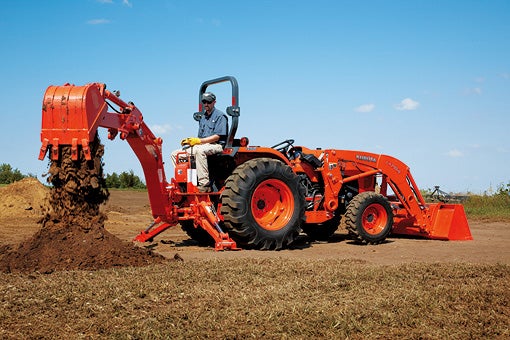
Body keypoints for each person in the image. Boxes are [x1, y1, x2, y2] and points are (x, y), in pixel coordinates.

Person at [171, 92, 228, 192]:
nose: (206, 104)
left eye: (208, 102)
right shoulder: (203, 118)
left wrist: (198, 141)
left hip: (217, 145)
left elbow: (217, 137)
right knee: (175, 154)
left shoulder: (220, 116)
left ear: (214, 102)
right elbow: (200, 137)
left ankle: (204, 184)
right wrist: (190, 142)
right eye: (204, 102)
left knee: (199, 151)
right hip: (203, 144)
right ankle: (184, 182)